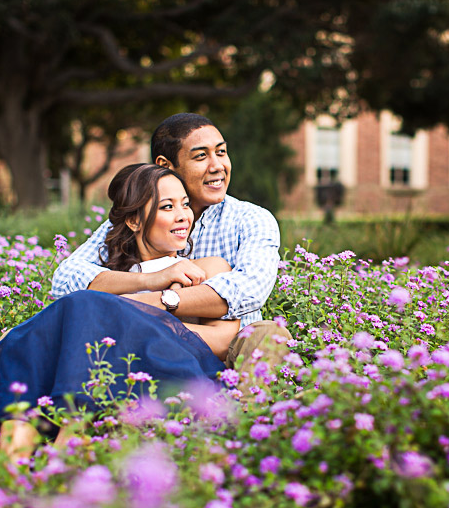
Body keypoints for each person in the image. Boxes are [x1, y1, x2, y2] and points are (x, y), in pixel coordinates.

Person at [0, 165, 237, 461]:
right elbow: (85, 285)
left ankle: (36, 437)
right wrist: (151, 281)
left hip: (163, 367)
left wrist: (133, 319)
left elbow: (225, 338)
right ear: (134, 220)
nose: (184, 215)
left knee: (77, 309)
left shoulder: (205, 268)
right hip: (91, 364)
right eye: (167, 207)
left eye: (185, 205)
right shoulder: (111, 277)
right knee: (69, 315)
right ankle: (15, 451)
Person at [51, 113, 290, 369]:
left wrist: (147, 306)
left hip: (229, 350)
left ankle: (243, 407)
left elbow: (248, 291)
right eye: (201, 156)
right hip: (141, 350)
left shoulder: (251, 219)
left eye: (221, 152)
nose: (217, 165)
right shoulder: (136, 218)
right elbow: (66, 279)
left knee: (269, 335)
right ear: (165, 165)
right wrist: (150, 279)